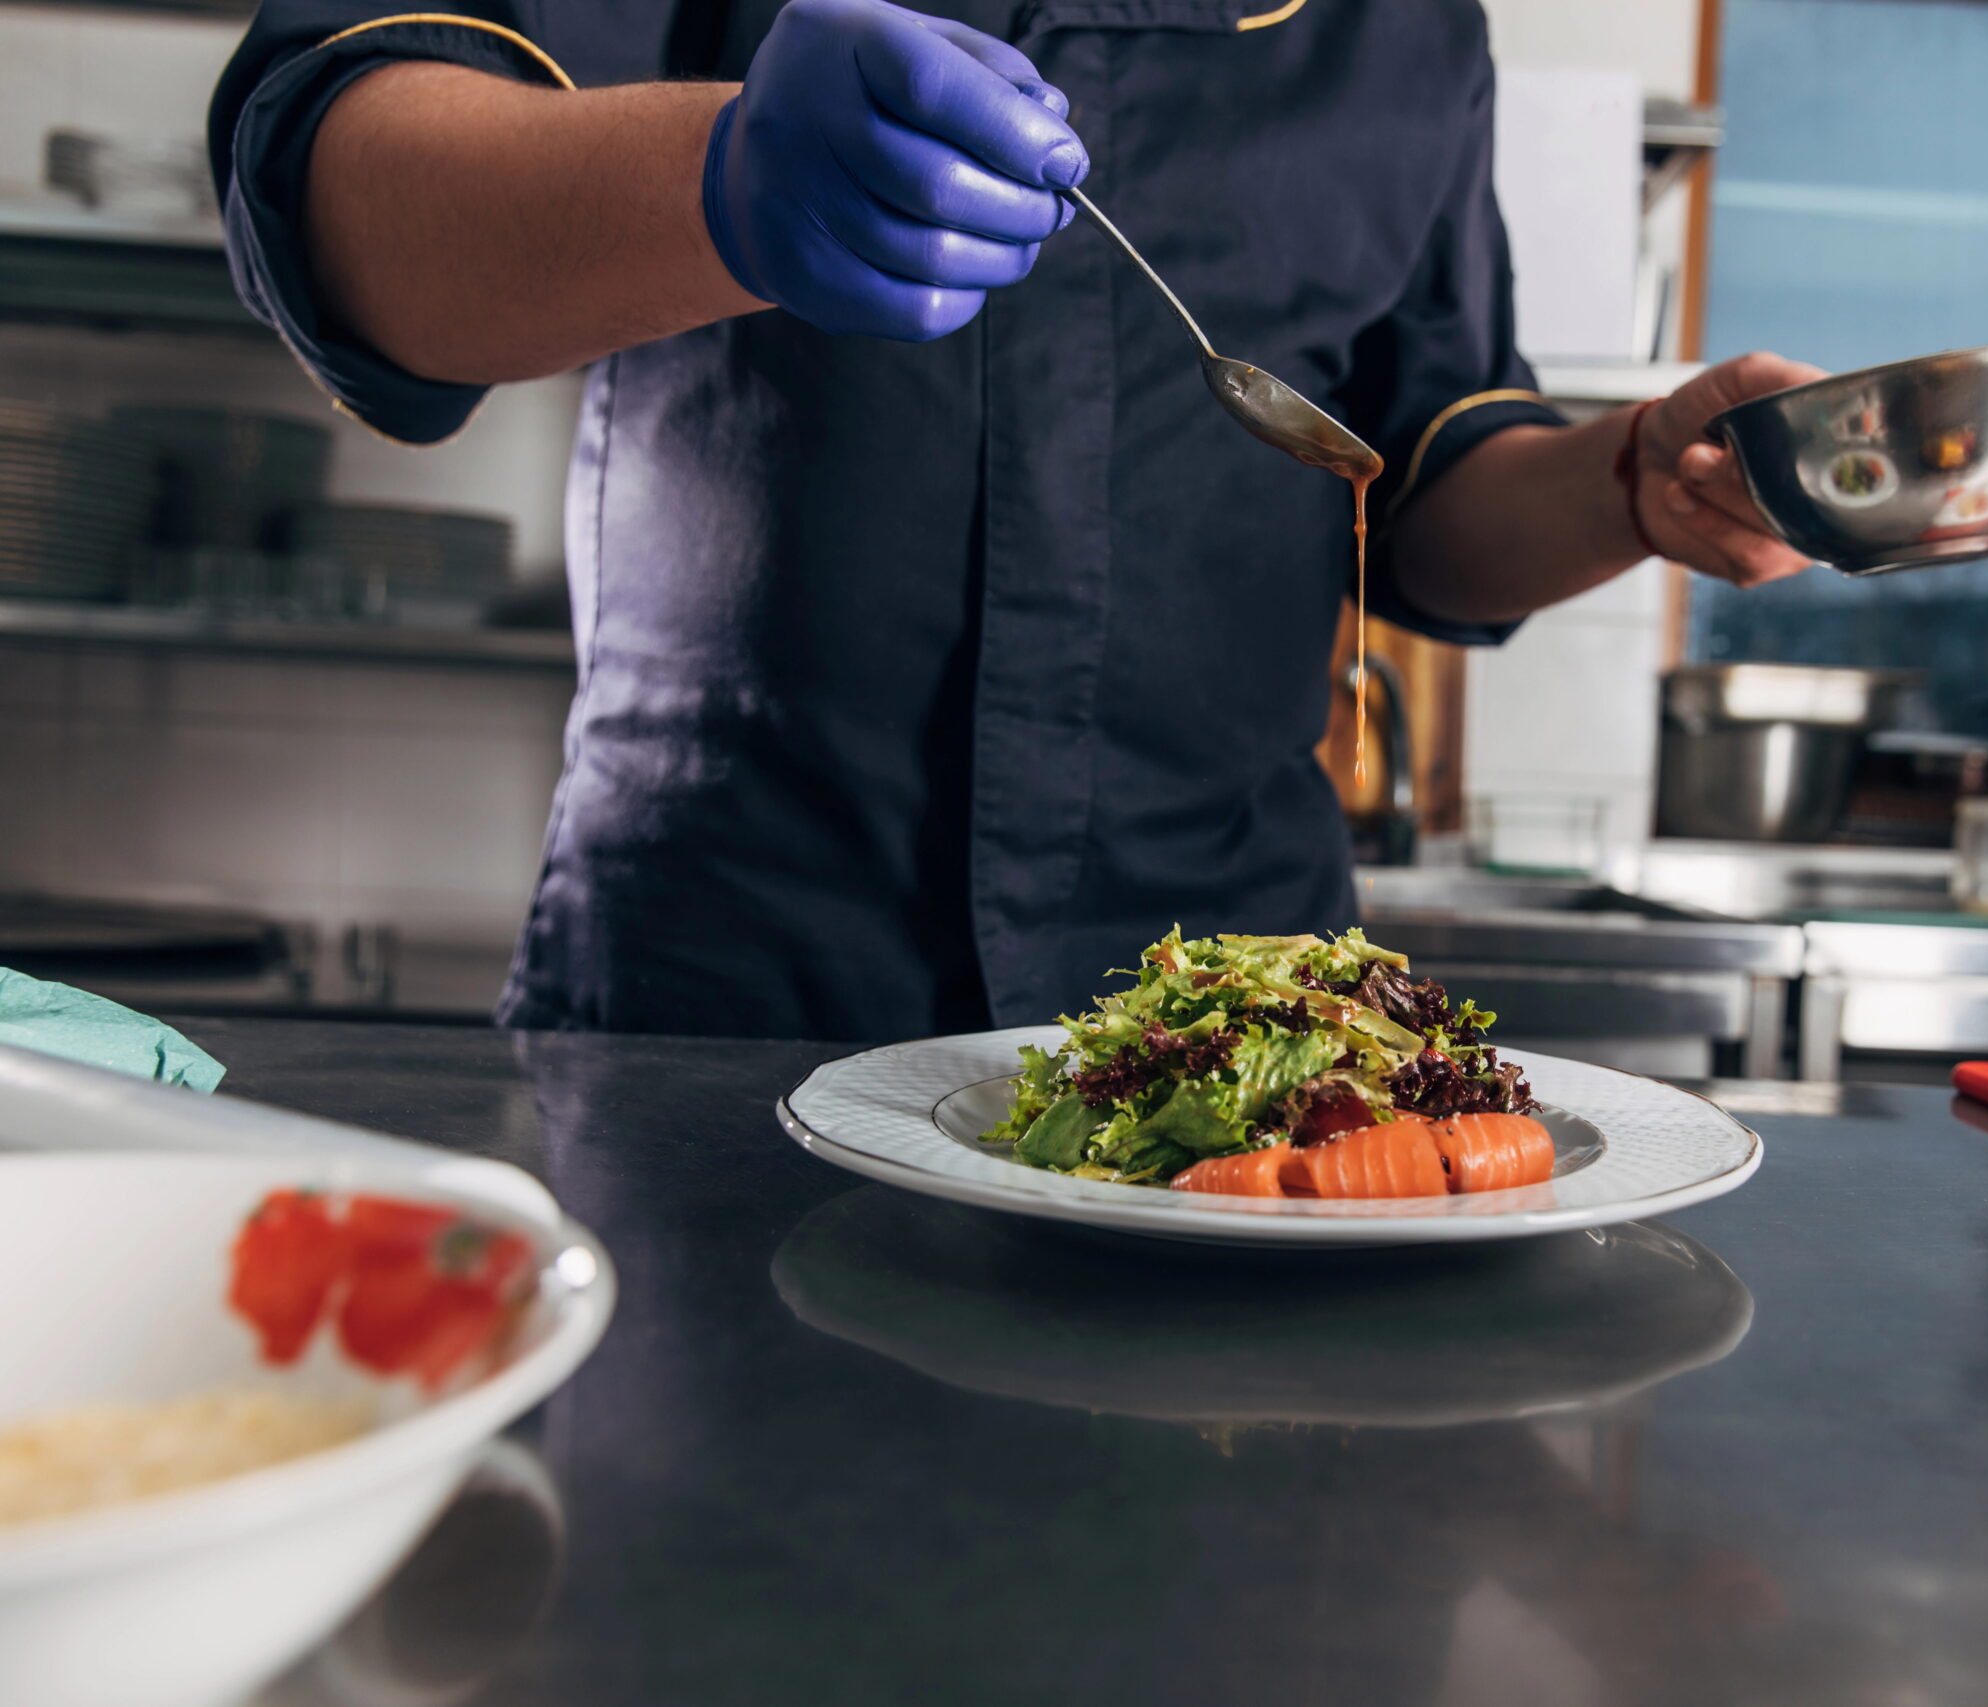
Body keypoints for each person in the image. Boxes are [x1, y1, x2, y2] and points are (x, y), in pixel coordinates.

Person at [211, 0, 1821, 1041]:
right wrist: (725, 178)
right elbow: (344, 194)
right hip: (724, 1003)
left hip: (1236, 1026)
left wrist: (1633, 485)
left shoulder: (1401, 37)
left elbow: (1426, 493)